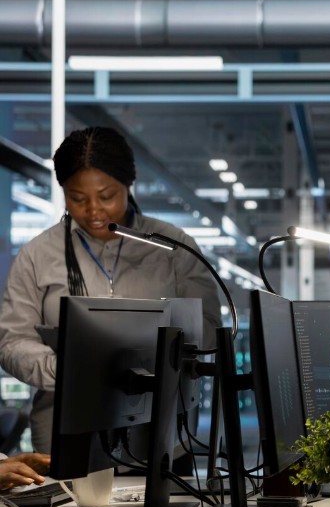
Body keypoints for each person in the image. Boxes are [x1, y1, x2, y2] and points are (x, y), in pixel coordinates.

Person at [0, 126, 221, 453]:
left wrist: (158, 352)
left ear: (128, 185)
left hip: (159, 427)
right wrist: (69, 370)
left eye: (106, 196)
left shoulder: (174, 248)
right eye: (77, 198)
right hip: (67, 428)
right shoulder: (38, 254)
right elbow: (11, 342)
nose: (93, 210)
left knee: (161, 502)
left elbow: (210, 327)